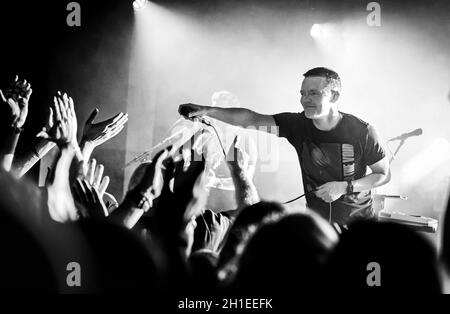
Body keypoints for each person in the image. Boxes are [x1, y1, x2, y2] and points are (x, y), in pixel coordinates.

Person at [179, 67, 390, 225]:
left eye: (313, 93)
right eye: (302, 93)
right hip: (317, 222)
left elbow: (383, 174)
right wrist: (207, 110)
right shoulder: (296, 125)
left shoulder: (362, 131)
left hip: (357, 223)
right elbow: (250, 119)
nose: (305, 99)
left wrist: (345, 187)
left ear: (334, 96)